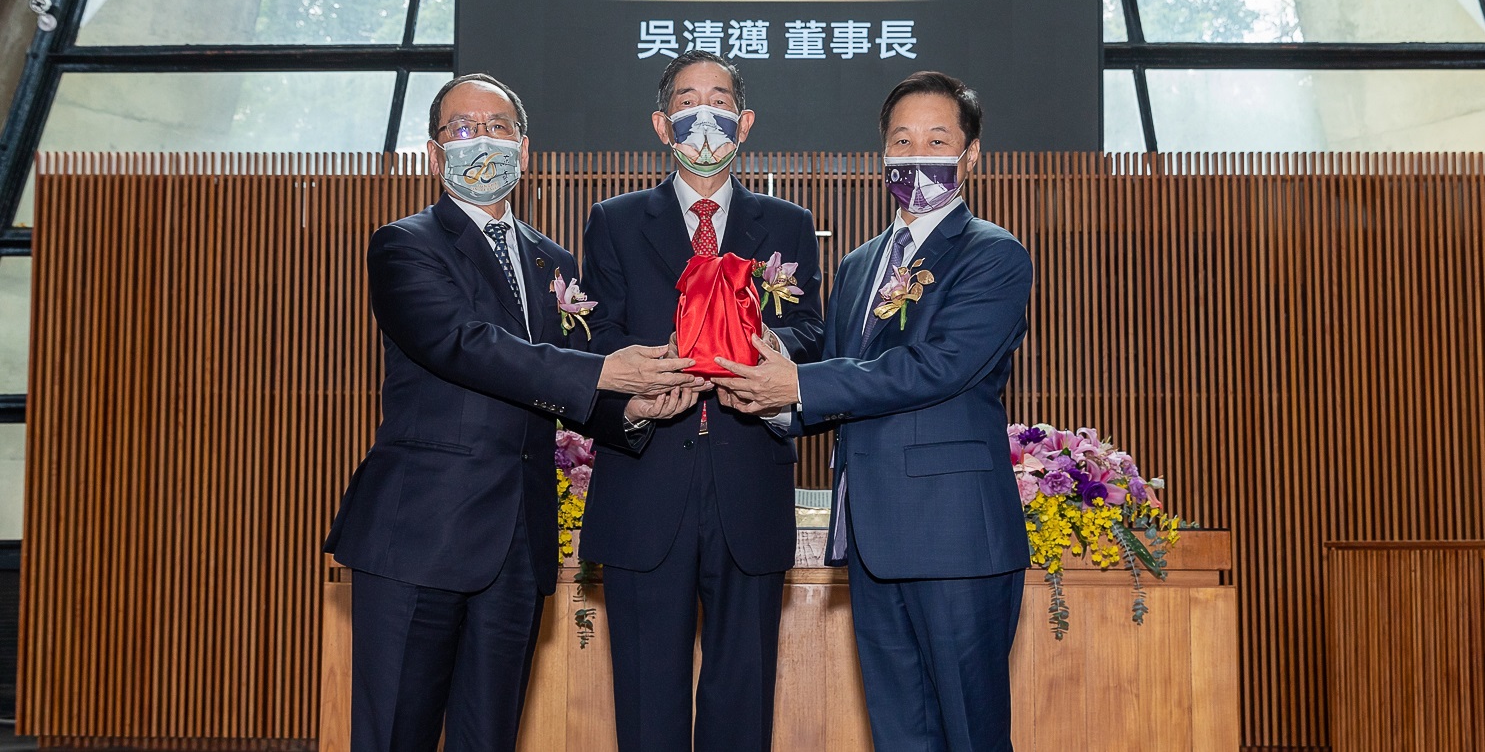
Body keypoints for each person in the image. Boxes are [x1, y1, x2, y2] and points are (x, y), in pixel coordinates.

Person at [323, 73, 704, 752]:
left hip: (517, 545)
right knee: (394, 734)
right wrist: (602, 371)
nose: (482, 141)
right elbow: (465, 346)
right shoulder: (405, 244)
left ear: (525, 150)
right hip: (420, 535)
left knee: (490, 733)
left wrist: (639, 408)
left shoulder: (549, 259)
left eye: (498, 127)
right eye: (463, 128)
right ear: (435, 154)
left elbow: (567, 386)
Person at [713, 70, 1034, 752]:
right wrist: (765, 384)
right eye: (901, 140)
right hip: (872, 539)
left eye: (936, 140)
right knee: (900, 735)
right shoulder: (859, 264)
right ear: (880, 153)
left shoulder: (993, 255)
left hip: (954, 541)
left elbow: (937, 366)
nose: (916, 155)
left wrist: (797, 384)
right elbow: (835, 381)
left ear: (969, 155)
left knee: (968, 734)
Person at [578, 51, 826, 752]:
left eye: (720, 100)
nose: (704, 115)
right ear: (663, 124)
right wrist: (643, 379)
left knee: (741, 695)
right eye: (687, 100)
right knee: (646, 697)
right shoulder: (615, 220)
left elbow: (813, 330)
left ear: (744, 122)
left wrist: (765, 344)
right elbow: (598, 338)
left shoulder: (785, 222)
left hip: (749, 480)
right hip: (646, 478)